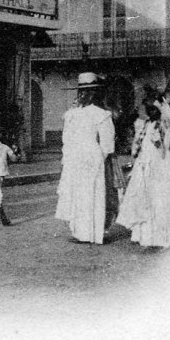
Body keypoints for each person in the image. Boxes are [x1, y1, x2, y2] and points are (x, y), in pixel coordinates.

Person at [116, 96, 170, 248]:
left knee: (159, 199)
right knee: (144, 198)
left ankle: (161, 237)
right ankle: (144, 236)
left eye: (152, 109)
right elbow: (138, 146)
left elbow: (165, 147)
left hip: (162, 166)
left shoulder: (164, 126)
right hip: (146, 165)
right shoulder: (145, 125)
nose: (149, 112)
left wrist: (163, 108)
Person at [55, 72, 116, 244]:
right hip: (75, 156)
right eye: (81, 92)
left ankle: (92, 233)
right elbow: (66, 139)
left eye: (87, 92)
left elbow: (107, 143)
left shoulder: (102, 115)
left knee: (91, 193)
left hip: (91, 157)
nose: (83, 95)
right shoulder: (71, 114)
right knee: (76, 193)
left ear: (94, 94)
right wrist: (67, 158)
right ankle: (79, 232)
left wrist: (98, 158)